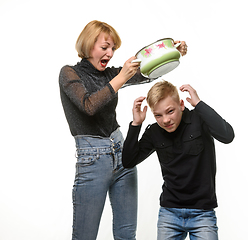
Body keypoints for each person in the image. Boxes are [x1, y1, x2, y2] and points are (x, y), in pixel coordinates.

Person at [59, 20, 187, 240]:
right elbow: (88, 106)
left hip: (122, 155)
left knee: (126, 234)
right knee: (84, 236)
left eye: (113, 49)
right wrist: (121, 77)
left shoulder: (109, 75)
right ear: (89, 45)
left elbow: (143, 73)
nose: (110, 53)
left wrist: (172, 53)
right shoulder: (69, 74)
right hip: (92, 161)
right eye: (105, 47)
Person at [122, 80, 235, 240]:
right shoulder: (154, 131)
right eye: (158, 115)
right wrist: (136, 124)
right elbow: (128, 161)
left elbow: (228, 136)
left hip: (202, 213)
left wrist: (199, 104)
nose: (165, 120)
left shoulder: (199, 119)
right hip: (169, 213)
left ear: (181, 105)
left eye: (170, 111)